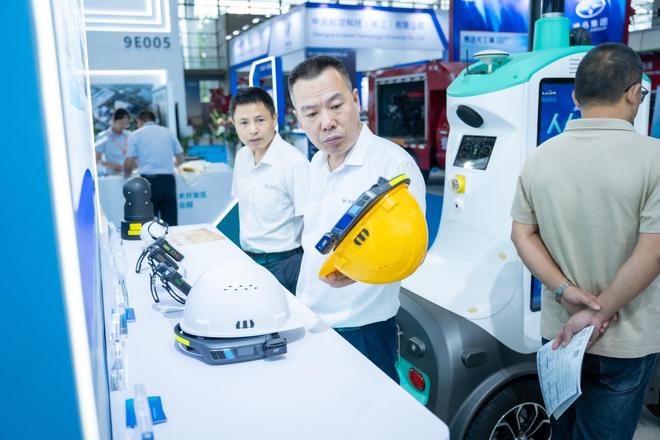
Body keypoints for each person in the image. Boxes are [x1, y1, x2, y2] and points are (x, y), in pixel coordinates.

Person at [510, 43, 660, 440]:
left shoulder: (539, 158)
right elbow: (654, 251)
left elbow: (521, 234)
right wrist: (598, 313)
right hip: (624, 341)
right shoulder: (655, 159)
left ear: (576, 97)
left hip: (559, 333)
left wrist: (564, 291)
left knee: (562, 429)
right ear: (634, 93)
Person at [288, 55, 426, 382]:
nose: (326, 122)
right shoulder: (316, 164)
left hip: (364, 330)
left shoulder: (393, 168)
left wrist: (359, 270)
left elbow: (413, 252)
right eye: (311, 113)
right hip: (311, 318)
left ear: (355, 100)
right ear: (298, 118)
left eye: (336, 106)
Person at [230, 87, 310, 294]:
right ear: (234, 124)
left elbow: (311, 220)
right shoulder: (242, 156)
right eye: (244, 123)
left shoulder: (294, 162)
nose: (253, 130)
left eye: (260, 120)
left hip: (286, 264)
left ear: (274, 119)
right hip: (249, 260)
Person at [124, 110, 184, 226]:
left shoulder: (135, 135)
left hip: (148, 183)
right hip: (168, 181)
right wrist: (171, 166)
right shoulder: (168, 132)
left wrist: (126, 172)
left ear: (140, 121)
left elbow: (128, 162)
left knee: (149, 225)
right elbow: (180, 158)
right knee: (171, 223)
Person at [95, 108, 131, 174]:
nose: (124, 126)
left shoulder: (129, 135)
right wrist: (112, 165)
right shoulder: (102, 136)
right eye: (122, 122)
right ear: (114, 120)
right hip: (111, 176)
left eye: (126, 123)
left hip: (129, 174)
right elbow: (97, 159)